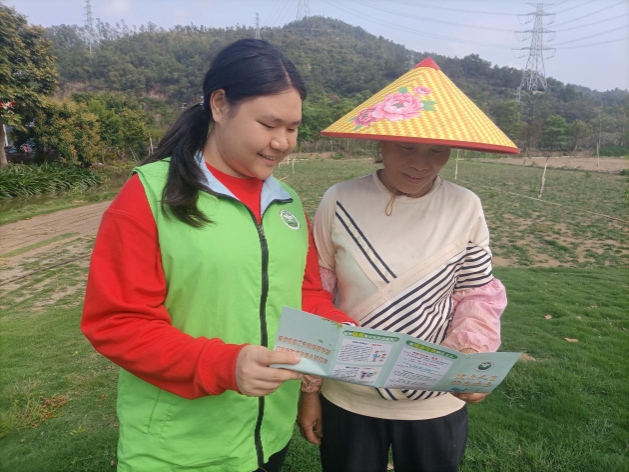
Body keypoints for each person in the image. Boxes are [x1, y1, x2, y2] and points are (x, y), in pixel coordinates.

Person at [81, 39, 356, 472]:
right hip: (178, 449)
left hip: (268, 437)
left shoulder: (287, 204)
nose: (283, 142)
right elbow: (117, 322)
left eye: (293, 128)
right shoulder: (150, 195)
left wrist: (342, 330)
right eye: (268, 124)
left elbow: (304, 294)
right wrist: (224, 364)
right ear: (220, 105)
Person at [297, 58, 520, 472]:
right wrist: (310, 390)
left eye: (436, 150)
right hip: (348, 396)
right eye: (406, 147)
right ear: (380, 143)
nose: (421, 163)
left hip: (434, 402)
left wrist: (470, 355)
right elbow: (315, 294)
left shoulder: (465, 206)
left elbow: (476, 293)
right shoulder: (339, 199)